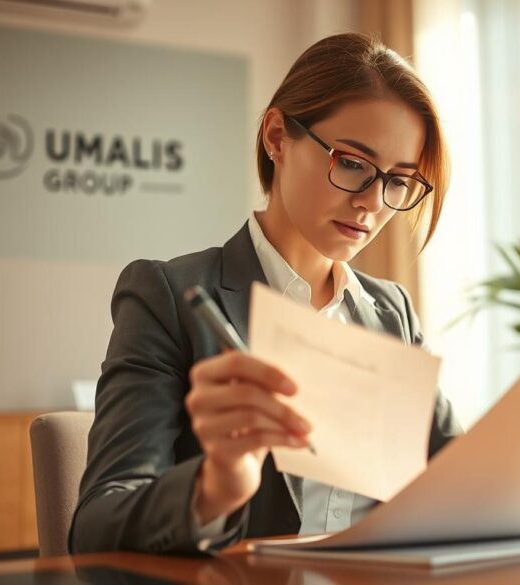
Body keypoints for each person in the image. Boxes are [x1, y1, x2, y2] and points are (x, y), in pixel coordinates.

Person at [69, 32, 462, 556]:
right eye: (351, 163)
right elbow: (96, 526)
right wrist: (216, 486)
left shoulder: (391, 313)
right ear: (277, 136)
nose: (372, 203)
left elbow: (460, 477)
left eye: (398, 181)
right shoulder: (167, 297)